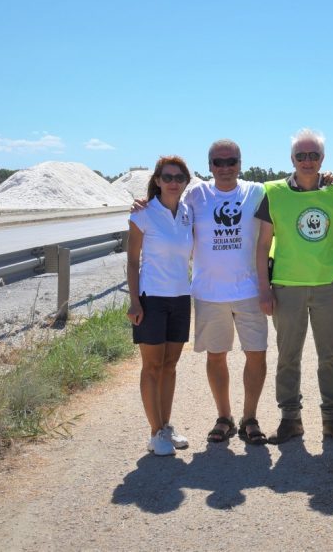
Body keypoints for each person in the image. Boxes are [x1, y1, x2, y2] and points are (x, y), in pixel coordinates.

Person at [255, 128, 333, 444]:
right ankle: (290, 419)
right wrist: (264, 288)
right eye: (302, 156)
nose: (308, 161)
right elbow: (262, 245)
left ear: (322, 159)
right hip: (286, 287)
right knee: (288, 357)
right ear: (292, 159)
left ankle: (332, 419)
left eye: (314, 155)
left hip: (328, 286)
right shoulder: (273, 192)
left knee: (332, 356)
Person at [183, 139, 269, 445]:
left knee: (256, 355)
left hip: (249, 290)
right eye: (218, 162)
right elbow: (167, 206)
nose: (225, 168)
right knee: (216, 356)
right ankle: (224, 417)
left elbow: (295, 185)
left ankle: (250, 417)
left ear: (240, 163)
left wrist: (328, 179)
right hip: (209, 293)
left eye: (231, 161)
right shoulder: (196, 194)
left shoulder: (257, 192)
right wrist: (144, 201)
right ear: (209, 166)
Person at [126, 156, 194, 456]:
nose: (173, 182)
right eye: (167, 177)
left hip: (180, 297)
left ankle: (165, 426)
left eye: (179, 177)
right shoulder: (143, 214)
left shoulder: (188, 212)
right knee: (152, 367)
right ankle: (154, 433)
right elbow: (131, 260)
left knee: (170, 366)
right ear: (157, 181)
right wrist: (134, 301)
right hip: (151, 299)